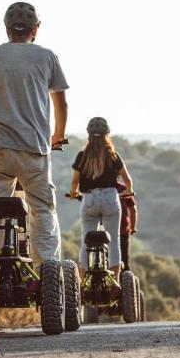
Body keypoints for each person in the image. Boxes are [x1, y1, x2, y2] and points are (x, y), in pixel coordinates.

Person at [0, 2, 69, 267]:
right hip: (34, 147)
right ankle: (47, 271)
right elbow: (61, 104)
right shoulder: (48, 57)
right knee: (41, 209)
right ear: (35, 30)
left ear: (6, 29)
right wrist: (57, 136)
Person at [70, 117, 134, 279]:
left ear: (89, 135)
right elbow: (127, 181)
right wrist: (128, 191)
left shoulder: (82, 156)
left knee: (86, 240)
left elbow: (75, 181)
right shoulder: (113, 156)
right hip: (110, 199)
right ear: (107, 134)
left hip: (89, 199)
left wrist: (73, 193)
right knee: (113, 240)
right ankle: (115, 281)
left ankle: (82, 280)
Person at [116, 180, 138, 271]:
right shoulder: (122, 188)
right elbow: (133, 210)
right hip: (123, 228)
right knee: (124, 260)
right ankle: (126, 280)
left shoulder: (98, 187)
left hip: (103, 229)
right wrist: (133, 228)